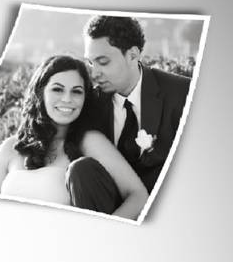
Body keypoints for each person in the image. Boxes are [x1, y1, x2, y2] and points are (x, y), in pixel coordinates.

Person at [0, 54, 148, 221]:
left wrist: (104, 235)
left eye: (76, 92)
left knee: (81, 167)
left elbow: (138, 195)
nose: (67, 99)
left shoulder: (90, 142)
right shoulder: (10, 147)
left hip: (72, 241)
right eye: (57, 89)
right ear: (40, 92)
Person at [69, 15, 191, 211]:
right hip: (108, 212)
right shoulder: (89, 103)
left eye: (103, 62)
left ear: (133, 55)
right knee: (81, 170)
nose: (94, 73)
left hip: (170, 212)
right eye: (91, 63)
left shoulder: (182, 93)